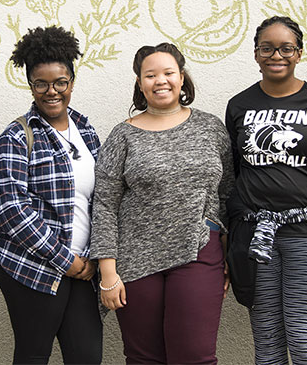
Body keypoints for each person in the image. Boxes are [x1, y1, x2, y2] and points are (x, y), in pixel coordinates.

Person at [90, 42, 233, 365]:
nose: (161, 81)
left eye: (168, 73)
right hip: (137, 260)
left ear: (182, 78)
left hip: (199, 252)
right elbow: (105, 206)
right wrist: (108, 273)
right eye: (150, 75)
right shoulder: (123, 136)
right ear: (140, 84)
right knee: (144, 358)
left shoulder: (210, 128)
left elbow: (227, 195)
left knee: (195, 356)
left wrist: (229, 254)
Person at [224, 16, 307, 365]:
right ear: (255, 53)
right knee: (266, 340)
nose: (275, 55)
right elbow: (234, 175)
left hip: (306, 235)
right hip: (256, 235)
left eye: (285, 48)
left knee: (304, 336)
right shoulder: (239, 105)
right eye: (267, 48)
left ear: (299, 53)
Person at [0, 26, 102, 364]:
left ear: (71, 81)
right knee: (33, 354)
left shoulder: (87, 131)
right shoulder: (17, 136)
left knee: (86, 356)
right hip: (33, 266)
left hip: (83, 265)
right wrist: (64, 259)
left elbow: (102, 200)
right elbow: (11, 209)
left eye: (60, 82)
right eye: (41, 83)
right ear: (30, 84)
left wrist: (93, 257)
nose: (51, 91)